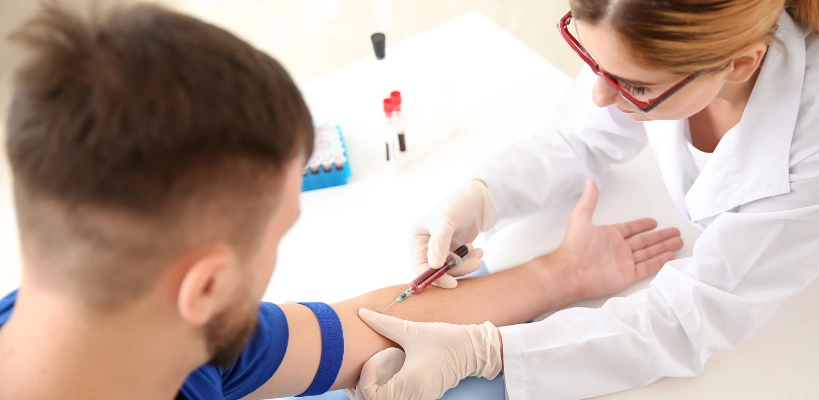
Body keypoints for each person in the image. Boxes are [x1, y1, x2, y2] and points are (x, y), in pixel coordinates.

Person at [0, 3, 684, 399]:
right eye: (278, 236)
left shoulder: (152, 332)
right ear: (205, 286)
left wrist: (560, 274)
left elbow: (357, 327)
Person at [353, 0, 819, 399]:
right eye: (591, 59)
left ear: (740, 64)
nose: (599, 95)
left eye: (634, 86)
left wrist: (491, 352)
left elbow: (692, 315)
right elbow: (577, 138)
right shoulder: (648, 32)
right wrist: (483, 196)